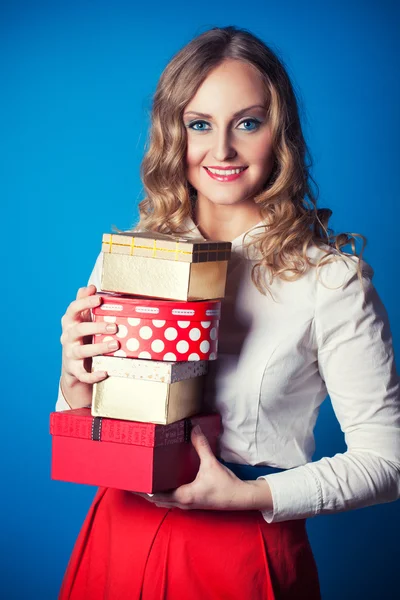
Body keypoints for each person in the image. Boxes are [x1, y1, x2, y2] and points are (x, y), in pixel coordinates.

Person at [56, 26, 400, 599]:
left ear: (279, 133)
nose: (221, 151)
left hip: (243, 553)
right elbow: (85, 426)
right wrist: (75, 377)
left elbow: (387, 462)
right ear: (173, 134)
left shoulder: (331, 281)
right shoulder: (128, 259)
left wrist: (245, 497)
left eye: (247, 122)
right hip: (117, 535)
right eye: (199, 125)